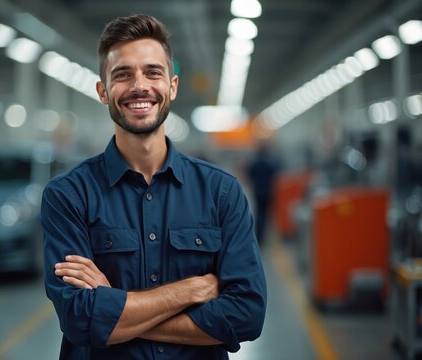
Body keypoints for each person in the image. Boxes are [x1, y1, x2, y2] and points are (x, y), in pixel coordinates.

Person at [41, 14, 266, 359]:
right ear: (103, 91)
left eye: (153, 72)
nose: (139, 86)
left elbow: (246, 315)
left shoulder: (221, 191)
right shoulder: (68, 196)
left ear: (172, 86)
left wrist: (113, 308)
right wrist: (191, 290)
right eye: (122, 75)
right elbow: (80, 319)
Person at [246, 142, 280, 246]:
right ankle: (265, 237)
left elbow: (250, 175)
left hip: (257, 191)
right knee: (266, 215)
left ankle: (258, 236)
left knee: (259, 213)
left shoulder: (254, 163)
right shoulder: (270, 163)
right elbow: (275, 175)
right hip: (268, 191)